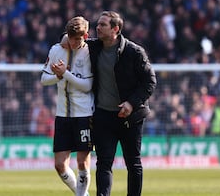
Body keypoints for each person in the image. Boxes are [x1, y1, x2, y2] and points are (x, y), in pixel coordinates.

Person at [62, 11, 157, 196]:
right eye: (98, 24)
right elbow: (73, 37)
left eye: (103, 25)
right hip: (104, 116)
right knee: (104, 163)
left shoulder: (134, 52)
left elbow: (150, 82)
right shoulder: (93, 47)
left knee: (133, 163)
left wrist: (131, 103)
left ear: (115, 29)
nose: (98, 27)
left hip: (131, 116)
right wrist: (66, 38)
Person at [41, 16, 94, 196]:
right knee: (59, 165)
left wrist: (65, 74)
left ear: (85, 36)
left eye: (77, 39)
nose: (73, 42)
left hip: (84, 113)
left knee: (81, 162)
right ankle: (84, 195)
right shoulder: (56, 49)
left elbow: (87, 86)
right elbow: (43, 79)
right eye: (71, 38)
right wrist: (57, 76)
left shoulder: (89, 53)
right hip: (62, 114)